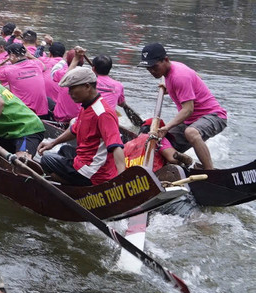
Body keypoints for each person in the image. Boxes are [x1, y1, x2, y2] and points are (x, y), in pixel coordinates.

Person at [140, 43, 226, 171]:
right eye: (148, 68)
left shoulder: (179, 76)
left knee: (191, 133)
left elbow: (188, 109)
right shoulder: (171, 71)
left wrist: (167, 127)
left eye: (154, 67)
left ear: (166, 60)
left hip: (214, 116)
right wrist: (169, 88)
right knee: (159, 141)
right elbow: (195, 76)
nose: (152, 71)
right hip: (190, 120)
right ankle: (181, 165)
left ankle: (210, 172)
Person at [36, 68, 125, 186]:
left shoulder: (103, 113)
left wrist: (122, 180)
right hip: (85, 161)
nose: (69, 92)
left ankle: (75, 187)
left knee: (46, 160)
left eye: (72, 88)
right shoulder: (86, 106)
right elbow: (74, 130)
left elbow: (116, 147)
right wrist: (52, 143)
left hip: (93, 172)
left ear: (87, 86)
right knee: (64, 149)